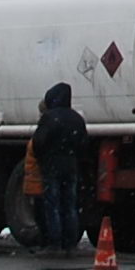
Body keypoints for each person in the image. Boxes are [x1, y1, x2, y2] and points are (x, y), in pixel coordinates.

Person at [31, 82, 86, 253]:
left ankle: (54, 242)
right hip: (71, 165)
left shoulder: (49, 118)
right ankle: (70, 243)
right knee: (70, 204)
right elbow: (83, 144)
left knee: (52, 204)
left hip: (52, 165)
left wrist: (43, 159)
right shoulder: (77, 119)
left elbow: (38, 143)